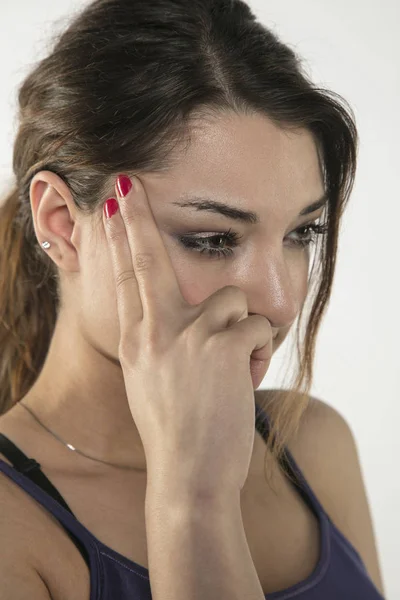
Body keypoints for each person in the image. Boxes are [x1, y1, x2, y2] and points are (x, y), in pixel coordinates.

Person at [0, 0, 386, 598]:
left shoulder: (310, 444)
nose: (280, 303)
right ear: (60, 221)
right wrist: (193, 499)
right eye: (211, 239)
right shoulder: (12, 532)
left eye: (301, 233)